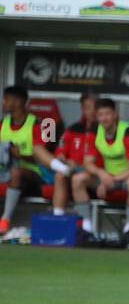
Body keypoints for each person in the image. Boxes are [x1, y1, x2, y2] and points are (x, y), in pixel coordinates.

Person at [1, 86, 72, 235]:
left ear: (18, 102)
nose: (3, 103)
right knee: (14, 172)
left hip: (38, 173)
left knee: (17, 171)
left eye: (6, 100)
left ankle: (4, 221)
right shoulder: (3, 123)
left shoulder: (45, 124)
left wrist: (21, 155)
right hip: (6, 171)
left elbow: (47, 155)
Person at [70, 97, 129, 236]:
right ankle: (86, 227)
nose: (104, 119)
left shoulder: (128, 132)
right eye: (101, 115)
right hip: (108, 178)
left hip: (127, 178)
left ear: (115, 114)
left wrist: (111, 179)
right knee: (77, 179)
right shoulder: (94, 131)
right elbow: (88, 163)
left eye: (108, 114)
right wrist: (102, 174)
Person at [50, 91, 98, 223]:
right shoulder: (72, 129)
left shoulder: (105, 130)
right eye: (88, 107)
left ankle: (86, 225)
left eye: (95, 107)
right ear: (82, 109)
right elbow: (60, 152)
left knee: (77, 177)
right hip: (72, 173)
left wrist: (79, 165)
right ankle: (57, 219)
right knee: (60, 175)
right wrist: (62, 159)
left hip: (95, 177)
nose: (92, 111)